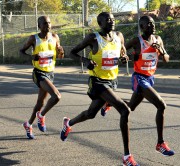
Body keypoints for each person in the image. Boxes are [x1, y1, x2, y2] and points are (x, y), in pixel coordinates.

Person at [60, 12, 139, 166]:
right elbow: (72, 52)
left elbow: (123, 53)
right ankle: (127, 156)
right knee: (124, 109)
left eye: (113, 19)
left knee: (90, 114)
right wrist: (85, 60)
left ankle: (68, 123)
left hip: (111, 80)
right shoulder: (93, 37)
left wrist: (124, 58)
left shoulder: (119, 36)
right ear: (100, 23)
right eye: (107, 19)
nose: (112, 21)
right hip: (97, 81)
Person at [101, 15, 175, 156]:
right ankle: (160, 143)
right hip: (139, 78)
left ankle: (109, 102)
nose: (152, 26)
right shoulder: (137, 41)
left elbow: (166, 59)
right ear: (141, 27)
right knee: (161, 105)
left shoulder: (158, 39)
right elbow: (121, 49)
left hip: (150, 77)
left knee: (131, 107)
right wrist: (130, 56)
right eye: (148, 24)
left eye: (153, 23)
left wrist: (161, 49)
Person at [20, 16, 64, 139]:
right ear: (39, 26)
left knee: (40, 103)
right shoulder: (33, 38)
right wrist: (31, 57)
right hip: (38, 73)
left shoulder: (55, 37)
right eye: (45, 23)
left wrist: (61, 52)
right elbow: (21, 51)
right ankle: (41, 116)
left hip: (50, 73)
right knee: (56, 96)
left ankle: (28, 124)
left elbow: (60, 56)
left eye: (49, 23)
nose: (48, 25)